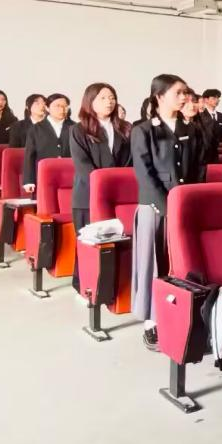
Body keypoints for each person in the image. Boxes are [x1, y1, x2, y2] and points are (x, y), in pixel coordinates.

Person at [130, 74, 206, 352]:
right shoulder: (144, 130)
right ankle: (151, 321)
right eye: (178, 93)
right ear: (159, 96)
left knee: (183, 262)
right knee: (154, 262)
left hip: (184, 205)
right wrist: (167, 206)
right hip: (155, 206)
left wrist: (192, 200)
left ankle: (182, 316)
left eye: (186, 92)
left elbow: (199, 166)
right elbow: (145, 173)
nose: (184, 97)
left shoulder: (191, 128)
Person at [69, 83, 132, 291]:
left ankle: (111, 287)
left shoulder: (125, 128)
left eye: (112, 97)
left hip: (117, 197)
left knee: (114, 243)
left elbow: (129, 162)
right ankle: (83, 284)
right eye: (103, 98)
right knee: (88, 243)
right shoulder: (78, 130)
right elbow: (83, 166)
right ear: (90, 102)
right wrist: (104, 188)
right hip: (87, 195)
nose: (109, 102)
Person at [22, 94, 74, 192]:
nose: (62, 109)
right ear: (47, 108)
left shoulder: (75, 127)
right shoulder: (36, 129)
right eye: (57, 106)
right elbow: (30, 155)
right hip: (44, 175)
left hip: (70, 175)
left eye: (65, 106)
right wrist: (29, 181)